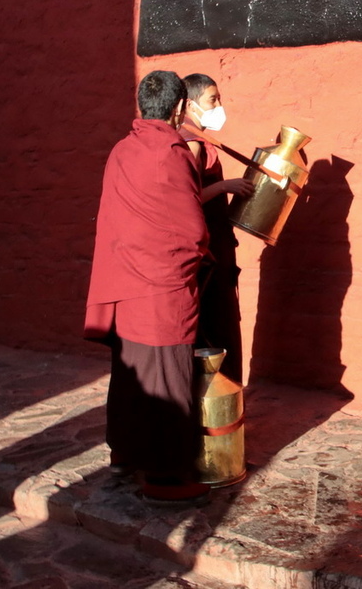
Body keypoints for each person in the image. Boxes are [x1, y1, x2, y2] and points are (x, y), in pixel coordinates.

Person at [84, 70, 210, 504]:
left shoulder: (122, 149)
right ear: (178, 109)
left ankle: (124, 457)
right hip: (162, 290)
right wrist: (199, 256)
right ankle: (165, 479)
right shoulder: (172, 153)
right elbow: (192, 229)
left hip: (125, 283)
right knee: (166, 381)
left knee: (130, 376)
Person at [179, 74, 254, 384]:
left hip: (218, 242)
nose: (219, 106)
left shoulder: (202, 139)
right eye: (213, 100)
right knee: (214, 322)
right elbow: (187, 196)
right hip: (206, 249)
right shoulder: (191, 142)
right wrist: (224, 186)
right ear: (190, 104)